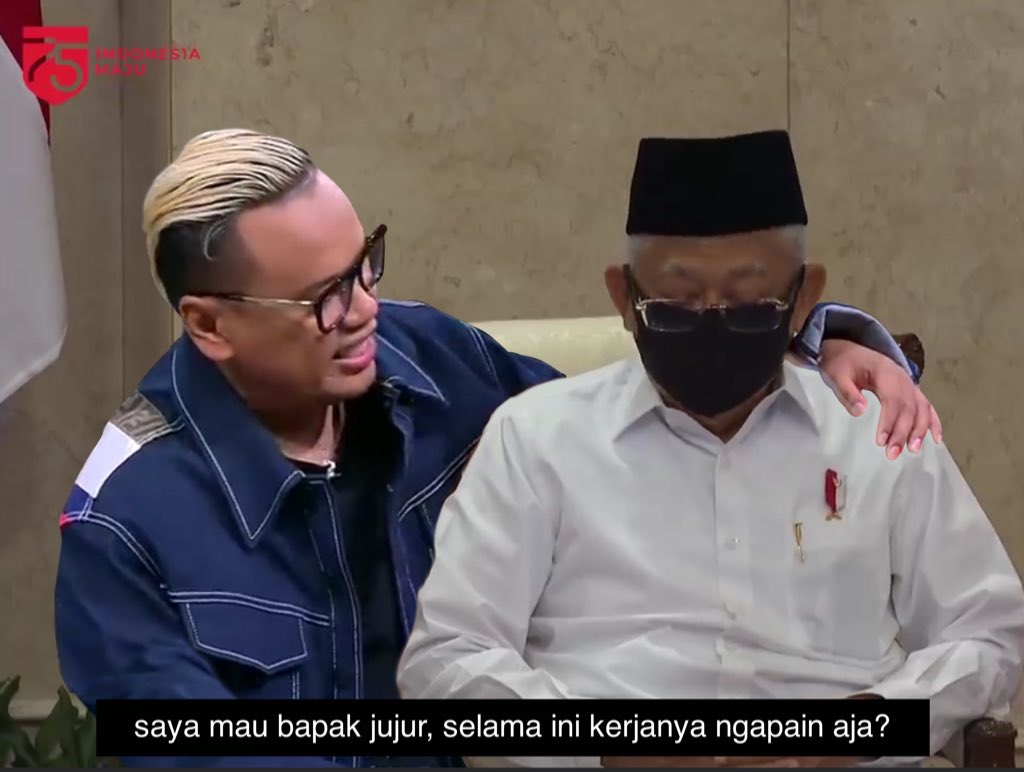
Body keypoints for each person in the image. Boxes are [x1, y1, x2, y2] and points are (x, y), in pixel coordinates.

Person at [55, 128, 937, 769]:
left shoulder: (430, 358)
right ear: (210, 325)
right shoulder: (121, 521)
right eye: (323, 298)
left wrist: (818, 341)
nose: (365, 310)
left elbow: (651, 401)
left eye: (366, 265)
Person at [396, 131, 1024, 769]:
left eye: (751, 307)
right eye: (677, 306)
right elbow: (446, 661)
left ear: (804, 298)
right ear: (623, 298)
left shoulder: (876, 430)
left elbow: (988, 634)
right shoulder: (536, 437)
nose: (714, 323)